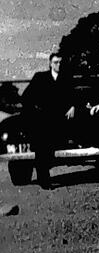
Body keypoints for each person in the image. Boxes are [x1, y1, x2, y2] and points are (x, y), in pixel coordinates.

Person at [21, 52, 78, 189]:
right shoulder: (40, 78)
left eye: (60, 62)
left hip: (62, 119)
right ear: (50, 63)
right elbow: (26, 97)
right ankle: (44, 180)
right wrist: (36, 112)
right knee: (42, 146)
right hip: (44, 120)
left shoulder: (67, 78)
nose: (58, 65)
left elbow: (75, 96)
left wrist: (73, 106)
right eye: (56, 62)